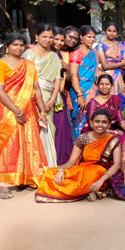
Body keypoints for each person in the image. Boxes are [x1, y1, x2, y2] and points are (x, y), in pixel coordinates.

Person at [0, 33, 50, 199]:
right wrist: (17, 111)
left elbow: (36, 89)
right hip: (8, 110)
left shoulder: (29, 65)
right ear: (7, 46)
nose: (19, 48)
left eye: (22, 45)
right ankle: (5, 184)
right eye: (15, 45)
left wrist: (42, 111)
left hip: (29, 109)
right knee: (11, 143)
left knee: (29, 142)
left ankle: (27, 178)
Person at [35, 109, 122, 203]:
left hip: (100, 173)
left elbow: (117, 164)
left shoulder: (113, 140)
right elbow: (71, 162)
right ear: (91, 123)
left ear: (109, 125)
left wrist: (101, 180)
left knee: (93, 173)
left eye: (104, 122)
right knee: (50, 173)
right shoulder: (83, 138)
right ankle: (91, 191)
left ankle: (95, 188)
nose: (100, 125)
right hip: (82, 170)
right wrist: (61, 170)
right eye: (97, 121)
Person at [22, 24, 62, 168]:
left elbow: (57, 79)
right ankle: (32, 167)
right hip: (31, 97)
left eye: (51, 37)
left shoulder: (54, 56)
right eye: (44, 36)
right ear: (36, 36)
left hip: (49, 97)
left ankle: (48, 165)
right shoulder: (28, 55)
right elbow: (26, 80)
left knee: (48, 129)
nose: (48, 40)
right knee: (32, 130)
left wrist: (52, 99)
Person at [82, 74, 125, 144]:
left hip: (110, 131)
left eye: (107, 84)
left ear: (112, 85)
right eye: (101, 84)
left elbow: (121, 121)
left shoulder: (116, 99)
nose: (104, 87)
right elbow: (92, 126)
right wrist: (114, 132)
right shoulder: (93, 102)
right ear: (98, 85)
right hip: (96, 131)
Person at [69, 25, 100, 138]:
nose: (92, 40)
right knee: (78, 119)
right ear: (81, 37)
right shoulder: (76, 53)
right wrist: (80, 95)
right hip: (79, 90)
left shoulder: (93, 53)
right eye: (89, 37)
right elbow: (73, 75)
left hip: (93, 89)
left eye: (93, 37)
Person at [50, 27, 74, 165]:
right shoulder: (44, 54)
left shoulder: (64, 55)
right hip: (46, 95)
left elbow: (69, 79)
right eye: (56, 39)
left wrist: (68, 70)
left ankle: (62, 160)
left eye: (61, 40)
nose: (58, 42)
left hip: (60, 96)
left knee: (61, 129)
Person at [94, 22, 125, 96]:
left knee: (117, 98)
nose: (111, 33)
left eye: (114, 31)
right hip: (105, 76)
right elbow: (105, 66)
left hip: (118, 77)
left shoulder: (121, 46)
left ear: (117, 33)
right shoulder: (100, 46)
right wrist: (120, 63)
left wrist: (110, 64)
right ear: (105, 32)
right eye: (109, 30)